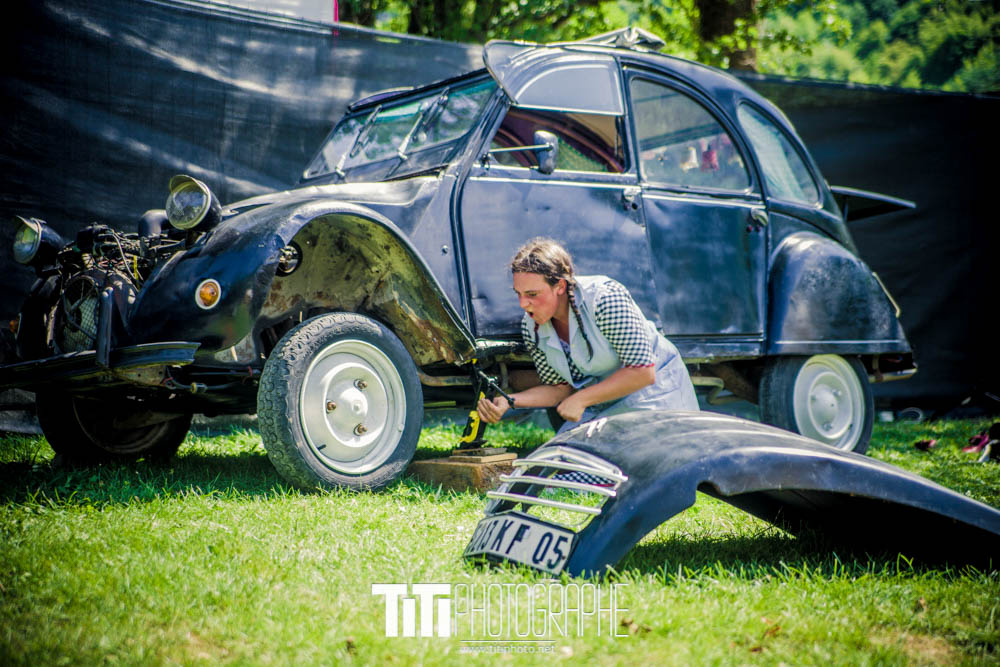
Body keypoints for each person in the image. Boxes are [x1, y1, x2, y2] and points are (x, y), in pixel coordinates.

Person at [477, 237, 698, 432]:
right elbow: (561, 390)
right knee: (561, 460)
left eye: (532, 294)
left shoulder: (604, 299)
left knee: (627, 467)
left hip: (654, 396)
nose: (523, 304)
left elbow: (643, 372)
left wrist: (582, 399)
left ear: (560, 286)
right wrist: (509, 401)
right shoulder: (532, 326)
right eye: (519, 294)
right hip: (602, 404)